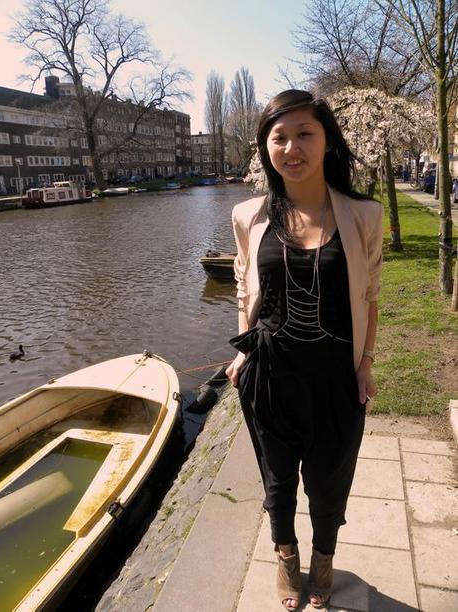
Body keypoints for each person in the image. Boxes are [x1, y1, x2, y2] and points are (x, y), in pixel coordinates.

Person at [226, 89, 383, 611]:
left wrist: (364, 364)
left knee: (328, 480)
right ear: (266, 148)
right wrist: (244, 351)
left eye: (304, 134)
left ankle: (323, 561)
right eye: (279, 137)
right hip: (269, 377)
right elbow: (245, 288)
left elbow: (370, 295)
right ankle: (286, 556)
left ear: (328, 142)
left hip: (336, 380)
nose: (291, 147)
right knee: (277, 480)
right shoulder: (248, 215)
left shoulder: (363, 215)